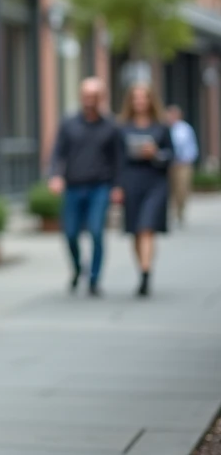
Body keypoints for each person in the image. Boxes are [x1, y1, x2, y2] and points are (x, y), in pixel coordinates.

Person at [47, 77, 125, 296]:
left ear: (102, 98)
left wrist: (118, 186)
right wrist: (55, 176)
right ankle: (77, 268)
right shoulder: (69, 123)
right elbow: (57, 153)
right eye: (86, 95)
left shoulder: (112, 126)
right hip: (73, 187)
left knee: (96, 232)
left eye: (94, 96)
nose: (90, 100)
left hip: (100, 187)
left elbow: (119, 160)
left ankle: (94, 279)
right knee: (70, 234)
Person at [117, 83, 174, 297]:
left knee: (146, 227)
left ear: (151, 100)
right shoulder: (122, 127)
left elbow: (171, 155)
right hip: (132, 181)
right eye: (136, 97)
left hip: (155, 181)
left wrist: (156, 154)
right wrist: (117, 186)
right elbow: (117, 160)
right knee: (135, 230)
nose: (140, 101)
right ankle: (141, 269)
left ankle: (146, 273)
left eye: (144, 97)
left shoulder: (161, 127)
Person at [166, 104, 199, 226]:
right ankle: (170, 214)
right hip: (169, 164)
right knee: (169, 190)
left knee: (182, 189)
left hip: (183, 163)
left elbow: (192, 146)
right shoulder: (165, 128)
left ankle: (180, 212)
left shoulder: (185, 129)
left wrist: (189, 159)